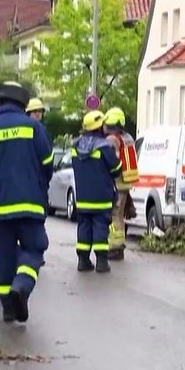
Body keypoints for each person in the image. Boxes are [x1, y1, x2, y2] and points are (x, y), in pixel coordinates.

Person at [0, 81, 54, 323]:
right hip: (30, 205)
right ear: (23, 104)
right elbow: (48, 162)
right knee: (33, 250)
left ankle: (8, 309)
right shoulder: (33, 127)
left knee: (4, 258)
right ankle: (21, 287)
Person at [69, 110, 121, 273]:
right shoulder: (104, 147)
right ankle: (101, 262)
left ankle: (83, 261)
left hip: (82, 196)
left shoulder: (76, 147)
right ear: (98, 127)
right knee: (100, 227)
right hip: (101, 196)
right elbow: (116, 169)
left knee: (83, 227)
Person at [102, 107, 138, 260]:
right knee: (120, 215)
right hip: (126, 182)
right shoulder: (128, 137)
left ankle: (115, 247)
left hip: (117, 182)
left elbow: (112, 161)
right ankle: (120, 245)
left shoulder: (112, 140)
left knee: (114, 215)